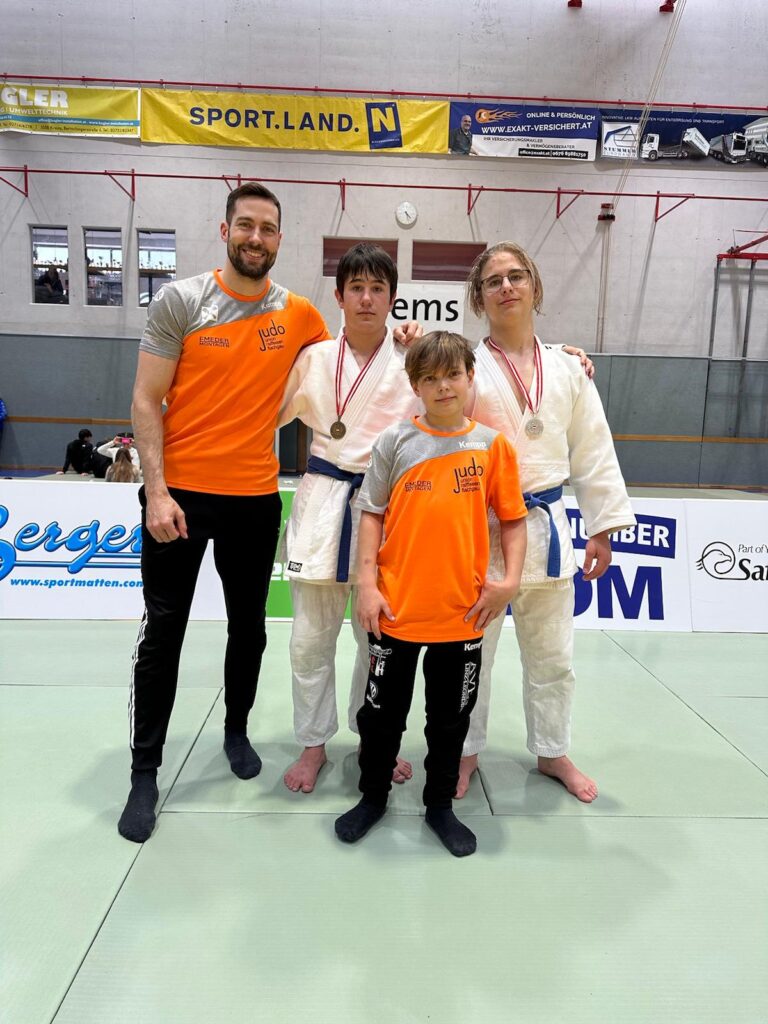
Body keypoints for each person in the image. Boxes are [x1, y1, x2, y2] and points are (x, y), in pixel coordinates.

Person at [118, 182, 332, 844]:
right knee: (164, 635)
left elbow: (350, 361)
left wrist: (405, 337)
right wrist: (156, 492)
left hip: (254, 499)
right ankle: (145, 772)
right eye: (246, 225)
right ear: (225, 230)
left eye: (267, 229)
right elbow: (145, 400)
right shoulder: (181, 300)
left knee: (249, 629)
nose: (256, 238)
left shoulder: (298, 314)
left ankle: (236, 729)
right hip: (178, 498)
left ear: (280, 239)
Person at [335, 332, 528, 857]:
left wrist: (509, 581)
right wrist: (367, 586)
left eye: (453, 375)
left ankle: (440, 805)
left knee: (450, 720)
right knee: (380, 717)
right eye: (430, 378)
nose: (443, 386)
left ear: (470, 377)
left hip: (462, 614)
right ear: (415, 385)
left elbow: (513, 520)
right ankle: (372, 797)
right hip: (394, 610)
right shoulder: (394, 441)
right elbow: (370, 515)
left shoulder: (492, 446)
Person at [456, 242, 635, 802]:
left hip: (550, 527)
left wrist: (601, 527)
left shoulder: (567, 368)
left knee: (554, 656)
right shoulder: (464, 368)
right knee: (470, 655)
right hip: (483, 530)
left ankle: (553, 750)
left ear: (535, 285)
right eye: (493, 281)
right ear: (479, 298)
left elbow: (593, 448)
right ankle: (463, 751)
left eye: (516, 276)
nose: (506, 287)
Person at [278, 243, 421, 794]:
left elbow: (462, 393)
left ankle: (372, 739)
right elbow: (262, 411)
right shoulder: (314, 359)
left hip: (383, 510)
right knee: (309, 641)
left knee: (376, 642)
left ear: (392, 299)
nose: (366, 298)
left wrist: (563, 353)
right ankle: (313, 744)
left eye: (377, 289)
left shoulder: (412, 361)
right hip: (322, 504)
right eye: (356, 288)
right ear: (338, 297)